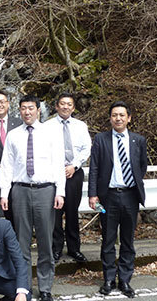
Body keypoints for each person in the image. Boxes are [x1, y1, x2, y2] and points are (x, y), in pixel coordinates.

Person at [0, 95, 65, 301]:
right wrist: (4, 193)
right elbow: (7, 166)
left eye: (30, 108)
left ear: (38, 110)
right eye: (23, 108)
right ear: (19, 111)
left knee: (46, 241)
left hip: (45, 190)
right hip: (20, 190)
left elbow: (59, 164)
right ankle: (24, 287)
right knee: (22, 242)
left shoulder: (51, 133)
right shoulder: (13, 135)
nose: (27, 112)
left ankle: (45, 287)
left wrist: (60, 191)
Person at [88, 101, 147, 298]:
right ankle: (108, 279)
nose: (118, 118)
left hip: (131, 196)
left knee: (128, 240)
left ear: (129, 118)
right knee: (108, 239)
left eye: (122, 115)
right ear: (110, 118)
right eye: (114, 115)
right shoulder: (101, 139)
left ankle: (125, 279)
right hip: (108, 197)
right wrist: (92, 195)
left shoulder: (138, 140)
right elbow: (94, 168)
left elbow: (142, 167)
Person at [43, 92, 91, 264]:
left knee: (72, 212)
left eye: (69, 104)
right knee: (55, 213)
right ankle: (56, 249)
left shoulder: (80, 126)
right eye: (62, 104)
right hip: (53, 173)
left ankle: (74, 248)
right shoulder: (47, 126)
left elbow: (87, 148)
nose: (65, 107)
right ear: (56, 106)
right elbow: (43, 150)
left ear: (73, 107)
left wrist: (74, 165)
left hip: (74, 173)